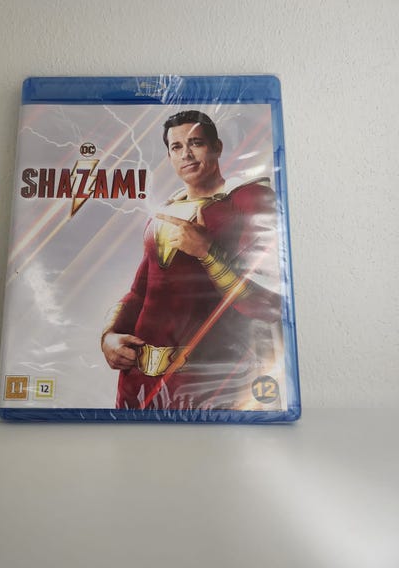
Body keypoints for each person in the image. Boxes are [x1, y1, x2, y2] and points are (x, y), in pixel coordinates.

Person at [101, 110, 282, 410]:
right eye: (176, 147)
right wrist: (109, 337)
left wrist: (207, 253)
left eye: (195, 143)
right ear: (169, 156)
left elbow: (267, 303)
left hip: (211, 384)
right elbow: (139, 292)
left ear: (217, 147)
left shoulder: (248, 199)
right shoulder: (163, 213)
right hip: (138, 384)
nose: (186, 154)